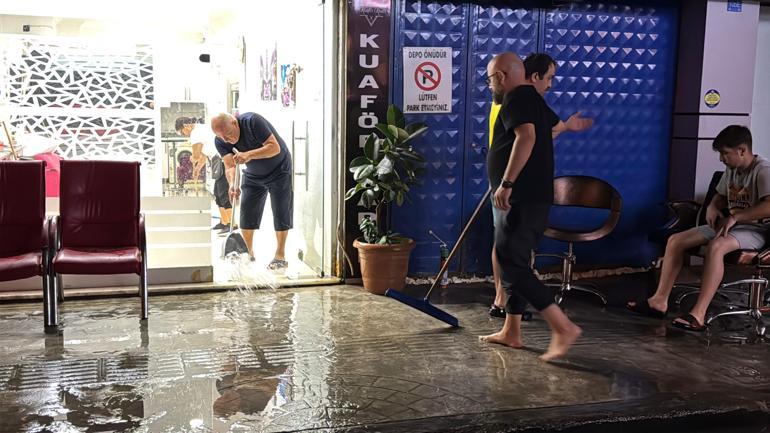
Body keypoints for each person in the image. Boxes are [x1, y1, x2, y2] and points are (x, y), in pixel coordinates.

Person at [479, 52, 582, 361]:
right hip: (530, 195)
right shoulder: (534, 100)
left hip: (522, 195)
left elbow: (527, 137)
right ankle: (512, 331)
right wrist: (570, 126)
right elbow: (550, 130)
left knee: (512, 263)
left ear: (501, 76)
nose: (490, 86)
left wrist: (506, 183)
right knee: (513, 258)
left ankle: (562, 326)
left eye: (490, 79)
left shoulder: (516, 98)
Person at [628, 125, 770, 331]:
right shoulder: (732, 170)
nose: (722, 159)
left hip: (755, 230)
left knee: (716, 247)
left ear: (742, 150)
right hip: (730, 225)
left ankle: (699, 315)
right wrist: (713, 206)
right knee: (676, 241)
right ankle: (659, 301)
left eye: (725, 153)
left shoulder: (763, 170)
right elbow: (720, 196)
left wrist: (736, 217)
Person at [211, 112, 293, 270]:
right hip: (253, 174)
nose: (227, 140)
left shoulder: (253, 122)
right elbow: (229, 165)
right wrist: (232, 185)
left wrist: (248, 155)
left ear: (234, 123)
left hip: (279, 169)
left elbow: (274, 147)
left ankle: (280, 256)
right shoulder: (220, 140)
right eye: (222, 138)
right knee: (247, 212)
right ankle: (248, 253)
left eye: (228, 134)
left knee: (281, 210)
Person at [175, 117, 233, 234]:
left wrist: (192, 158)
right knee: (217, 193)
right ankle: (224, 222)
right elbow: (204, 155)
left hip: (222, 160)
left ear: (186, 125)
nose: (184, 135)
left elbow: (196, 156)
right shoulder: (201, 130)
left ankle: (232, 224)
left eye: (182, 132)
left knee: (223, 193)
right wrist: (197, 169)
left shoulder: (195, 132)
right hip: (217, 160)